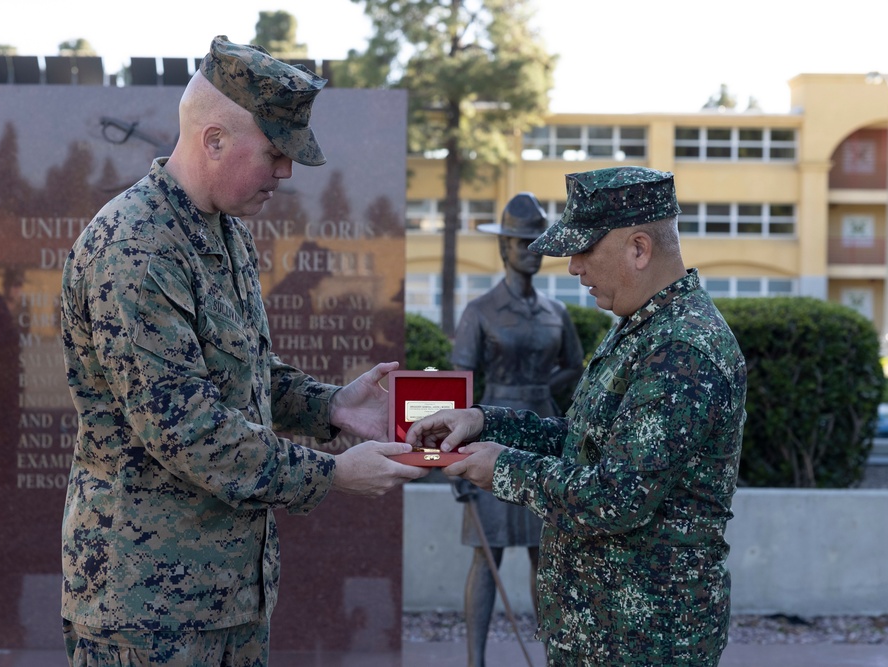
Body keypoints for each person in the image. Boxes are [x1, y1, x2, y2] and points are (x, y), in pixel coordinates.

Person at [59, 36, 427, 666]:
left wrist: (332, 408)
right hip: (149, 612)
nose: (286, 173)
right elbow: (185, 427)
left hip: (225, 598)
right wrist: (332, 473)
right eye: (276, 154)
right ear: (214, 140)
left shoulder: (220, 231)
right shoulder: (137, 248)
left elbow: (245, 376)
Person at [407, 166, 747, 666]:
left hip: (645, 642)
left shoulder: (682, 349)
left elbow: (618, 495)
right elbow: (585, 443)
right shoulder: (639, 325)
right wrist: (484, 422)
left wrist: (503, 468)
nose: (572, 267)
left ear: (638, 248)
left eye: (585, 249)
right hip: (602, 634)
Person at [450, 192, 583, 667]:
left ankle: (553, 657)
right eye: (521, 241)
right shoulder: (480, 311)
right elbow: (456, 388)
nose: (531, 249)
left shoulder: (556, 312)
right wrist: (452, 460)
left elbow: (575, 364)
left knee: (543, 555)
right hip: (488, 433)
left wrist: (539, 387)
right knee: (487, 557)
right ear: (503, 246)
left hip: (542, 433)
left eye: (537, 242)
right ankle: (475, 661)